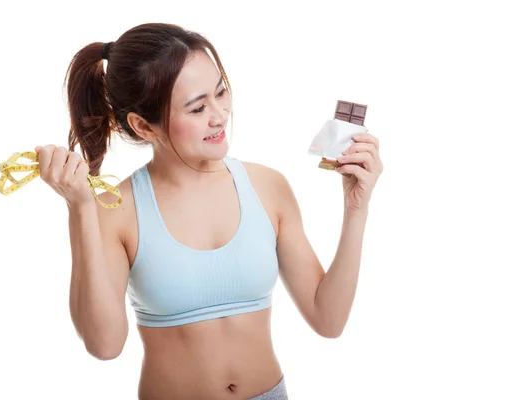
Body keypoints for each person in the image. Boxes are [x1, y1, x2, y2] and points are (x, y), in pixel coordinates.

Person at [34, 22, 383, 400]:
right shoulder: (116, 209)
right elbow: (105, 346)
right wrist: (79, 209)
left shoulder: (268, 187)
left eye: (221, 92)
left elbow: (327, 319)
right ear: (142, 126)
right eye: (197, 107)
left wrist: (356, 209)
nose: (219, 115)